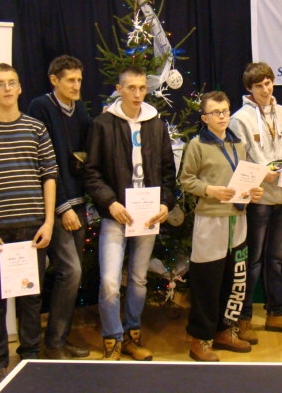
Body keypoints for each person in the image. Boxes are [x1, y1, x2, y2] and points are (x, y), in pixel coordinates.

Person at [0, 63, 58, 388]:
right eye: (0, 84)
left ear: (19, 88)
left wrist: (48, 222)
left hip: (32, 229)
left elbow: (49, 176)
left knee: (31, 298)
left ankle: (30, 355)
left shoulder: (36, 129)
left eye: (11, 83)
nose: (6, 88)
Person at [83, 66, 176, 361]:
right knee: (110, 282)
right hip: (116, 215)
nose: (137, 94)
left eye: (142, 88)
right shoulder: (102, 124)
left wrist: (165, 204)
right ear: (119, 89)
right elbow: (91, 172)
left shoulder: (156, 125)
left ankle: (132, 335)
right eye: (131, 88)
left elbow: (168, 171)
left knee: (138, 279)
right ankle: (112, 338)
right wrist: (110, 203)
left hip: (147, 216)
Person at [229, 62, 282, 344]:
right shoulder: (240, 119)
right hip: (259, 199)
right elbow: (238, 162)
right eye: (259, 86)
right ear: (249, 89)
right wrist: (264, 174)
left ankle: (277, 312)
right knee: (252, 261)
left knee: (277, 259)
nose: (266, 89)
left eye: (268, 83)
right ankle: (243, 318)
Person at [180, 91, 264, 362]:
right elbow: (186, 180)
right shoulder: (196, 145)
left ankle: (225, 330)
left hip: (238, 217)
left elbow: (245, 178)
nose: (223, 116)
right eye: (216, 112)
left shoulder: (238, 144)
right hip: (210, 220)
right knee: (207, 281)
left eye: (226, 111)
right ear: (205, 118)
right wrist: (210, 190)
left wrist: (253, 191)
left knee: (235, 278)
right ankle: (200, 339)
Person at [27, 55, 91, 359]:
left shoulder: (80, 110)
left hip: (79, 204)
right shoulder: (41, 107)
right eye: (70, 80)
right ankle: (51, 342)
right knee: (70, 271)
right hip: (55, 206)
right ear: (54, 80)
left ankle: (59, 338)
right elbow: (44, 162)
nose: (76, 86)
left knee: (72, 274)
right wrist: (63, 208)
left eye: (79, 80)